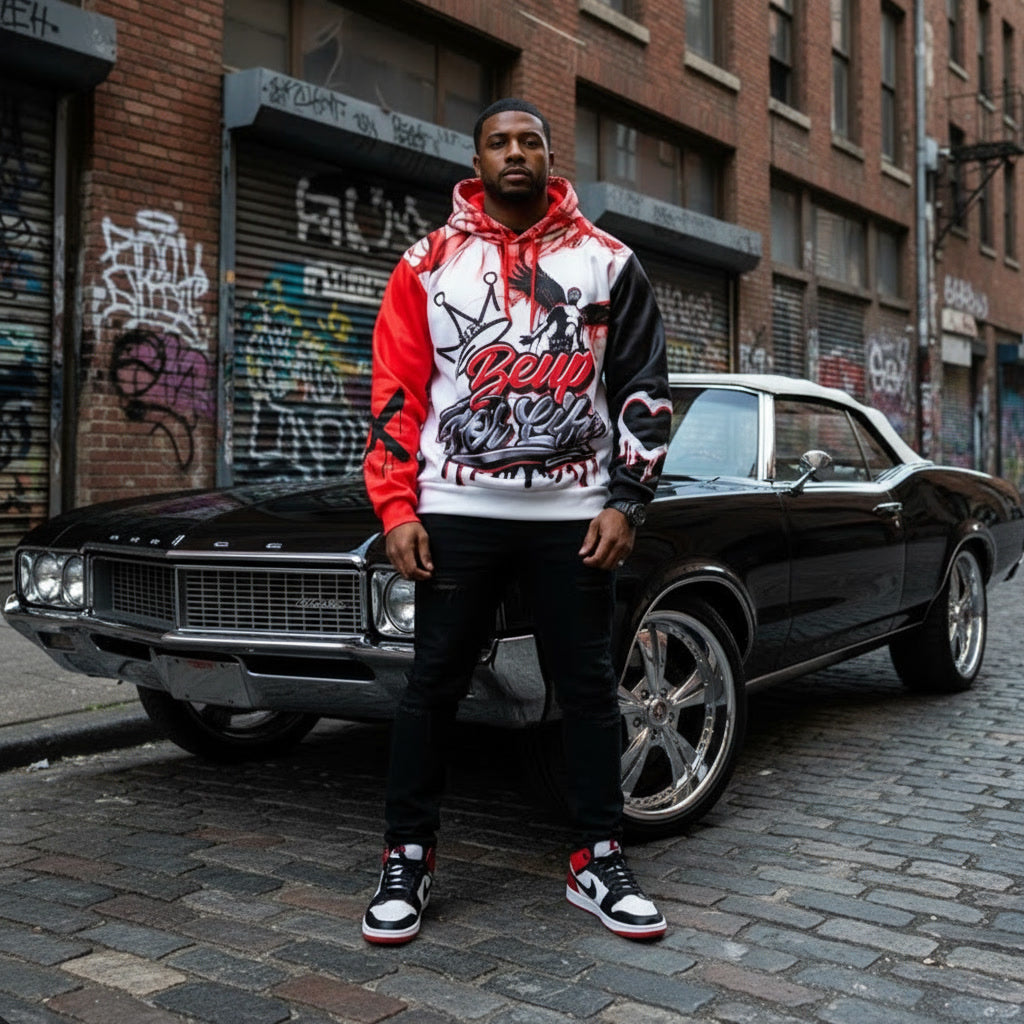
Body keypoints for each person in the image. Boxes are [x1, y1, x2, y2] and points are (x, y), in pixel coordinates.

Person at [361, 97, 671, 945]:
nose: (515, 153)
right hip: (457, 511)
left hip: (575, 517)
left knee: (588, 688)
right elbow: (396, 391)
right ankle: (407, 856)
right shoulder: (426, 263)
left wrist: (628, 499)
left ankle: (597, 856)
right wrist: (396, 506)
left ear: (549, 156)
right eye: (498, 142)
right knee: (433, 684)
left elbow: (643, 388)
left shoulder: (609, 262)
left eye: (529, 141)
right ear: (477, 162)